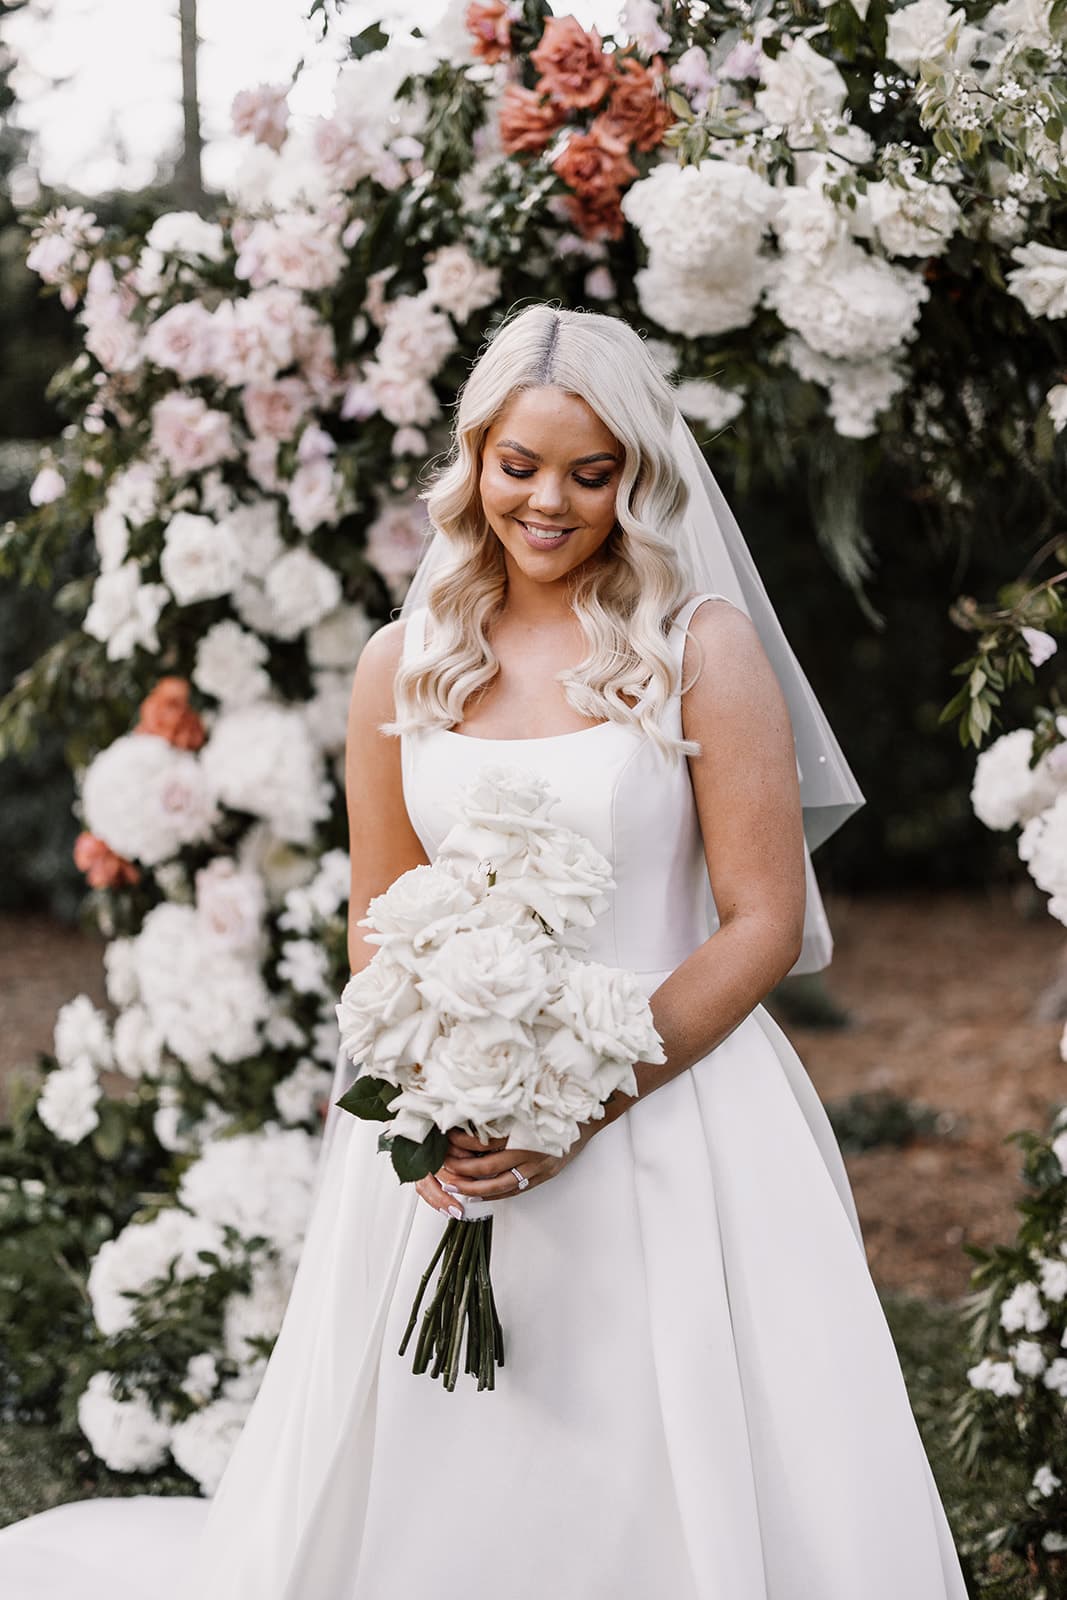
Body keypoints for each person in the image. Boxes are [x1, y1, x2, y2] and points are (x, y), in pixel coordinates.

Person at [0, 305, 968, 1599]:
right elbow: (378, 920)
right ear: (475, 459)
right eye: (521, 464)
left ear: (638, 473)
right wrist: (430, 1101)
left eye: (591, 469)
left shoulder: (701, 650)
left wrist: (581, 1099)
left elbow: (764, 922)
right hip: (444, 1136)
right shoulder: (406, 666)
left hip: (672, 1116)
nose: (551, 502)